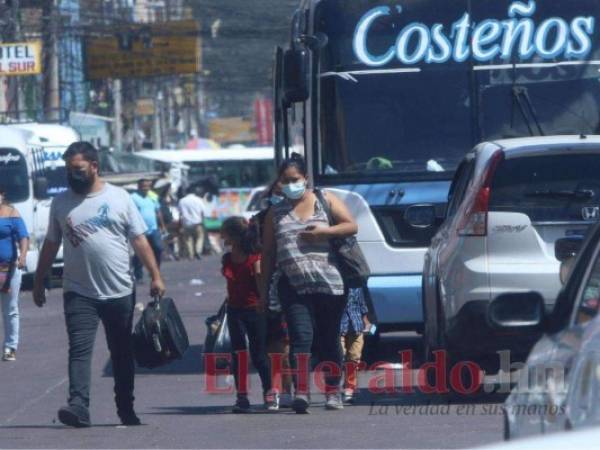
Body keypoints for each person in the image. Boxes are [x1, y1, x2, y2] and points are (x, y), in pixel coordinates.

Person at [32, 142, 166, 428]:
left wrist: (156, 275)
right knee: (79, 350)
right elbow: (51, 242)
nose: (73, 175)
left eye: (78, 169)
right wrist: (40, 279)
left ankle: (125, 408)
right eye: (69, 170)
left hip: (119, 291)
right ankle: (79, 407)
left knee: (121, 352)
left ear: (94, 166)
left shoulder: (120, 198)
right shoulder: (61, 202)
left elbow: (139, 240)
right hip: (78, 292)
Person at [261, 155, 358, 413]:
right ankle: (301, 391)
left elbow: (351, 226)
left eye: (295, 179)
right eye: (285, 181)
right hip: (292, 285)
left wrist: (324, 232)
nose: (290, 184)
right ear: (279, 183)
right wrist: (262, 294)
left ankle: (332, 390)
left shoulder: (324, 200)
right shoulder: (275, 212)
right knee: (300, 337)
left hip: (330, 284)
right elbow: (269, 253)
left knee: (328, 339)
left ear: (305, 179)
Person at [220, 216, 277, 412]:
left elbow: (261, 283)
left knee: (259, 355)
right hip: (234, 310)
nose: (221, 235)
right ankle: (242, 397)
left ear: (233, 236)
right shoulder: (227, 258)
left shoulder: (255, 258)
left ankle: (269, 393)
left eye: (224, 232)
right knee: (238, 354)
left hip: (255, 310)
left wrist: (263, 301)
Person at [0, 188, 29, 362]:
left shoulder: (12, 213)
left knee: (10, 309)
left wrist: (23, 255)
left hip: (9, 269)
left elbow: (23, 236)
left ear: (2, 194)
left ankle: (10, 347)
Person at [131, 179, 166, 281]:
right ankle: (138, 274)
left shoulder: (152, 196)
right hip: (140, 230)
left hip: (153, 229)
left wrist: (162, 226)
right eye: (143, 187)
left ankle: (155, 272)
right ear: (139, 187)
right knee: (139, 253)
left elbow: (158, 211)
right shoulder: (133, 198)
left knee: (158, 249)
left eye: (148, 186)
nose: (146, 189)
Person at [340, 287, 369, 404]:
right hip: (338, 326)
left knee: (354, 357)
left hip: (356, 325)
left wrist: (366, 321)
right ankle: (336, 385)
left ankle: (350, 387)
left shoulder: (357, 286)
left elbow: (362, 304)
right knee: (339, 355)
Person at [178, 186, 206, 260]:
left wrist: (180, 224)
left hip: (186, 223)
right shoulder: (199, 200)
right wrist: (203, 220)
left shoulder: (181, 201)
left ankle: (191, 254)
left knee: (188, 239)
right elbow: (203, 211)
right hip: (197, 222)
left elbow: (180, 213)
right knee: (200, 237)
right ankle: (198, 251)